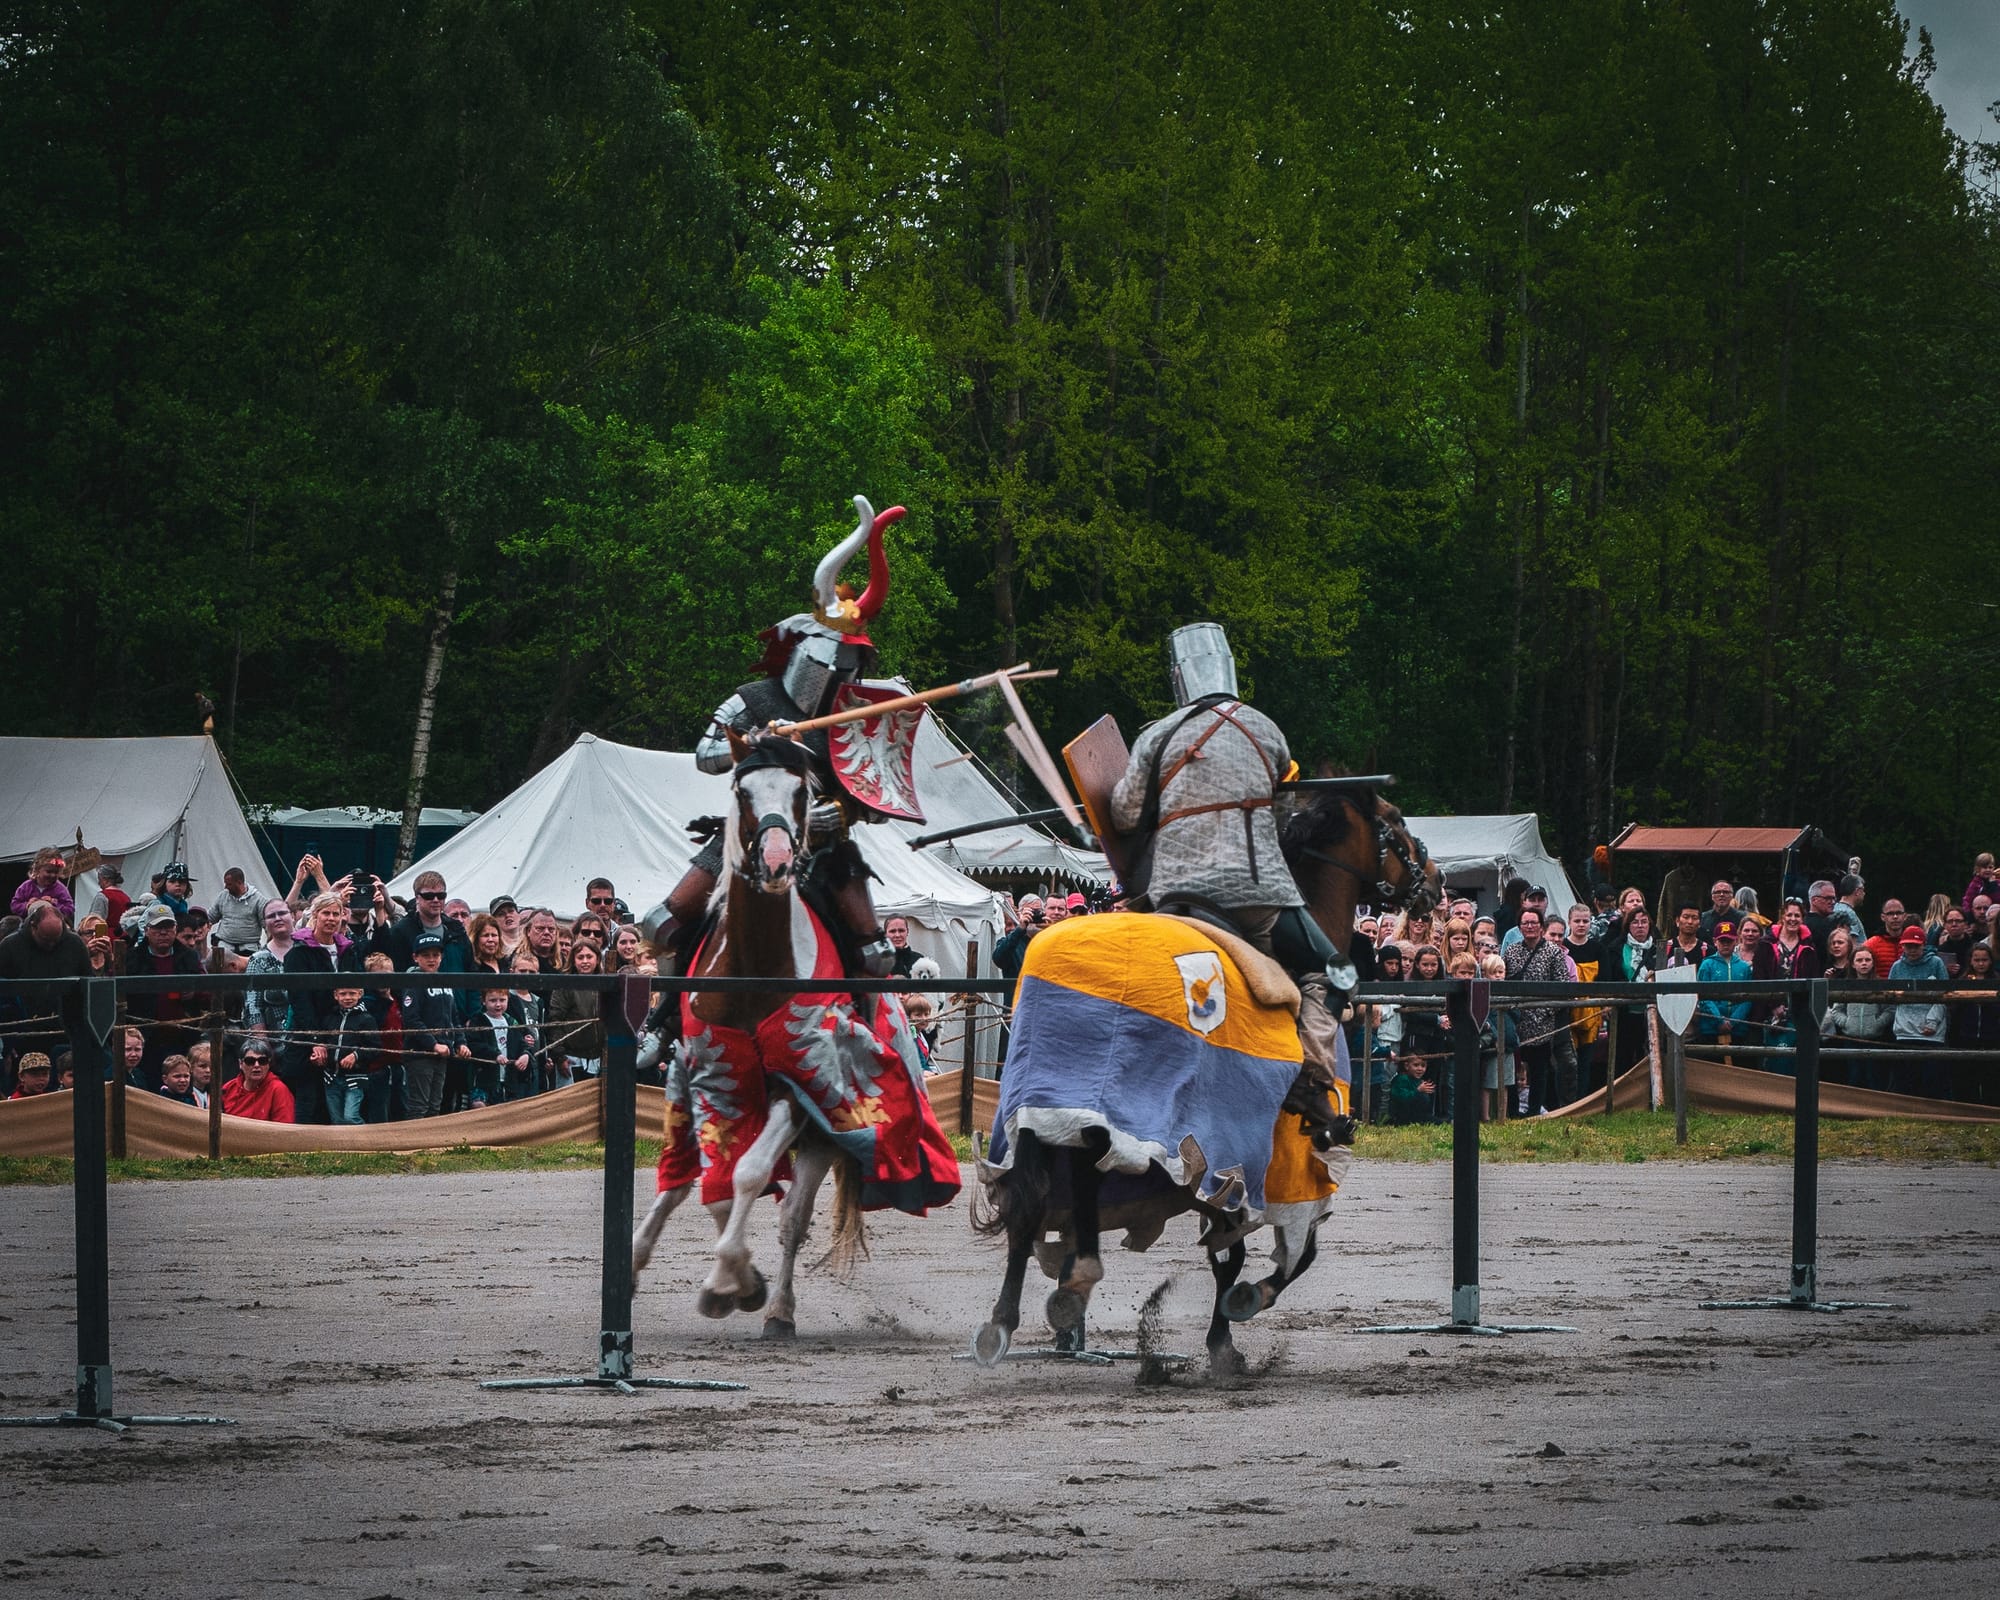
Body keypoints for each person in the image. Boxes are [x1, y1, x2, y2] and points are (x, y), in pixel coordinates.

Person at [1108, 621, 1357, 1144]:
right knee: (1334, 971)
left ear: (1179, 678)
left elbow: (1125, 815)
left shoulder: (1158, 732)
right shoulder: (1266, 731)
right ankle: (1310, 1078)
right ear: (1229, 669)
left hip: (1174, 895)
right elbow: (1282, 815)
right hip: (1258, 898)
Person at [667, 497, 909, 976]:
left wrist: (838, 812)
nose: (839, 671)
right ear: (804, 652)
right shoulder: (753, 699)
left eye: (849, 664)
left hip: (824, 844)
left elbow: (877, 796)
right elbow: (705, 754)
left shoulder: (858, 715)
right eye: (831, 661)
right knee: (669, 919)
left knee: (875, 952)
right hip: (751, 834)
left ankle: (866, 1029)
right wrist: (754, 740)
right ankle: (667, 1021)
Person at [121, 904, 206, 1085]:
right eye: (158, 928)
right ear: (146, 930)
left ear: (175, 929)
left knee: (181, 1085)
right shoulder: (132, 959)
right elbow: (119, 995)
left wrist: (194, 993)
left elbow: (208, 991)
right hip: (145, 1038)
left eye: (168, 927)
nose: (163, 932)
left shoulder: (189, 957)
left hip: (183, 1037)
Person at [0, 899, 93, 1062]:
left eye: (55, 940)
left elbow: (88, 981)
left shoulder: (74, 944)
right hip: (22, 1031)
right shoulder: (10, 946)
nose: (50, 945)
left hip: (66, 1027)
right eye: (45, 939)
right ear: (33, 927)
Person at [1503, 906, 1573, 1114]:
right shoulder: (1512, 951)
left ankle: (1534, 1110)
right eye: (1526, 923)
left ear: (1541, 927)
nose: (1530, 926)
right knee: (1514, 1069)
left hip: (1543, 1023)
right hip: (1516, 1022)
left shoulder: (1553, 952)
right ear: (1520, 926)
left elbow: (1562, 985)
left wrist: (1547, 1011)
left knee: (1539, 1069)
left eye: (1534, 922)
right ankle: (1513, 1110)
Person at [399, 929, 464, 1118]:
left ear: (442, 957)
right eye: (426, 955)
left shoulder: (445, 982)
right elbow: (411, 1020)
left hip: (443, 1053)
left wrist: (460, 1042)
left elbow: (455, 1018)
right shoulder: (414, 983)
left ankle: (430, 1146)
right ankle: (412, 1145)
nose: (431, 959)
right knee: (419, 1105)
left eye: (436, 955)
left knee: (435, 1104)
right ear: (415, 958)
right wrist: (433, 1044)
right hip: (420, 1054)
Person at [1888, 926, 1948, 1098]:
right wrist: (1898, 1024)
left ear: (1923, 945)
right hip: (1904, 1031)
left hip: (1931, 1032)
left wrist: (1932, 1022)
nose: (1912, 950)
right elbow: (1891, 997)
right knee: (1906, 1077)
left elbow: (1944, 996)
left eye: (1916, 946)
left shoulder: (1936, 963)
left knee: (1931, 1078)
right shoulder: (1897, 967)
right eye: (1908, 946)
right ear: (1902, 946)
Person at [374, 870, 472, 973]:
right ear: (417, 898)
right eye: (429, 896)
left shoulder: (457, 929)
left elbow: (470, 969)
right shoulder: (401, 931)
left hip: (457, 987)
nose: (435, 900)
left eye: (441, 895)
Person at [324, 982, 389, 1125]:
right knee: (337, 1119)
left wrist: (356, 1055)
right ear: (336, 995)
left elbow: (375, 1047)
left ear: (360, 994)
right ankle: (342, 1147)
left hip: (355, 1078)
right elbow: (324, 1041)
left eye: (352, 993)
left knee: (350, 1117)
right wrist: (320, 1053)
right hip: (331, 1077)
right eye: (343, 994)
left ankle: (364, 1143)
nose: (348, 998)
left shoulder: (366, 1019)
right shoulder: (331, 1016)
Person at [1945, 943, 2000, 1104]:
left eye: (1984, 960)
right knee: (1967, 1076)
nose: (1981, 963)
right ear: (1971, 961)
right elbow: (1955, 1010)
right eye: (1977, 960)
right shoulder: (1962, 981)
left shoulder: (1996, 981)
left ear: (1990, 961)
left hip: (1992, 1036)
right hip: (1966, 1036)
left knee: (1991, 1077)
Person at [548, 939, 605, 1080]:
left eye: (589, 957)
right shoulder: (565, 985)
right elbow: (555, 1021)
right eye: (580, 957)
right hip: (571, 1057)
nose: (585, 961)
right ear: (574, 960)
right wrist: (560, 1056)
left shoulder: (605, 985)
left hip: (599, 1058)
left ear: (597, 959)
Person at [243, 900, 298, 1045]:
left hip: (312, 1038)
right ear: (265, 923)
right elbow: (253, 1007)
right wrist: (263, 1045)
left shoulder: (307, 950)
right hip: (277, 1041)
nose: (277, 918)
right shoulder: (258, 960)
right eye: (271, 916)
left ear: (292, 916)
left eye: (282, 913)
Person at [464, 988, 529, 1107]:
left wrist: (525, 1055)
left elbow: (522, 1042)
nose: (498, 1004)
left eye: (502, 1000)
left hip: (508, 1080)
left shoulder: (512, 1021)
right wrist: (495, 1055)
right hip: (483, 1079)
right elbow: (474, 1044)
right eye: (493, 1000)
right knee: (479, 1106)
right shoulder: (478, 1021)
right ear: (483, 1001)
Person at [1695, 919, 1752, 1047]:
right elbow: (1704, 996)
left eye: (1729, 941)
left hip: (1738, 1028)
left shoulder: (1744, 967)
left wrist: (1733, 1022)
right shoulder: (1707, 965)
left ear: (1736, 941)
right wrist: (1719, 1020)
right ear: (1715, 941)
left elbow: (1748, 998)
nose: (1725, 944)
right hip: (1710, 1028)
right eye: (1722, 941)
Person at [221, 1035, 295, 1123]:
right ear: (240, 1064)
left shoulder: (278, 1090)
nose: (257, 1065)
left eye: (262, 1061)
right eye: (250, 1061)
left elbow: (284, 1128)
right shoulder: (228, 1088)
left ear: (269, 1064)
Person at [208, 867, 268, 955]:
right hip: (224, 945)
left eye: (229, 884)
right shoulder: (223, 896)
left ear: (239, 883)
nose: (225, 887)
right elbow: (210, 917)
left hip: (249, 947)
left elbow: (267, 925)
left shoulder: (258, 900)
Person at [10, 847, 73, 921]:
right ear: (37, 870)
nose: (52, 875)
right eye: (48, 872)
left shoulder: (60, 889)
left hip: (54, 926)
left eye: (56, 872)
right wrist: (27, 905)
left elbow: (70, 909)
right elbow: (14, 906)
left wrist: (54, 903)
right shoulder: (26, 887)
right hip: (30, 925)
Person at [1864, 899, 1911, 986]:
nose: (1895, 917)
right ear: (1883, 917)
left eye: (1899, 913)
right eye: (1890, 913)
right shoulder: (1871, 944)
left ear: (1905, 916)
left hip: (1909, 991)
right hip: (1881, 992)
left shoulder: (1913, 943)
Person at [84, 864, 131, 931]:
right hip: (124, 937)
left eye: (99, 879)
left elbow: (95, 921)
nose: (98, 883)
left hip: (106, 936)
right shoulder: (126, 898)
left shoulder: (102, 896)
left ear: (105, 880)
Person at [1830, 874, 1868, 944]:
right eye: (1863, 890)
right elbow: (1852, 943)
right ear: (1857, 891)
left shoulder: (1833, 908)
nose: (1864, 893)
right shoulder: (1849, 914)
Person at [487, 895, 525, 959]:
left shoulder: (531, 940)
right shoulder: (492, 946)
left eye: (510, 911)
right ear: (494, 921)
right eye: (501, 914)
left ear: (518, 914)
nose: (507, 915)